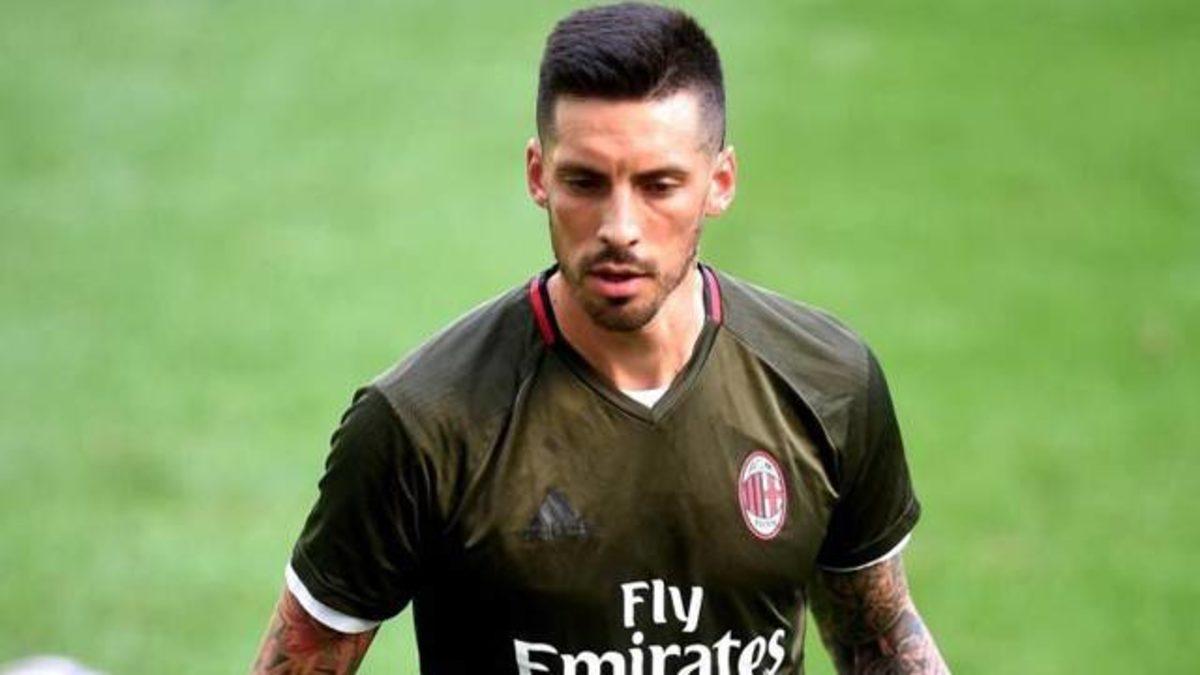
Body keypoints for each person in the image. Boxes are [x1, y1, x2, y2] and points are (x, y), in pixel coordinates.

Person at [251, 3, 949, 673]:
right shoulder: (422, 424)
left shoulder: (826, 382)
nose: (620, 228)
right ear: (538, 176)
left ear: (719, 182)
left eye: (659, 185)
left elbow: (880, 639)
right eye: (585, 182)